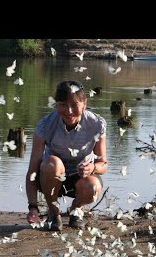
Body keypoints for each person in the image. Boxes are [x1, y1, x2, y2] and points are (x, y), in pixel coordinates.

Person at [25, 80, 108, 231]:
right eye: (63, 105)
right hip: (50, 178)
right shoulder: (44, 125)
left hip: (80, 179)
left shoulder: (96, 124)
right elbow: (32, 171)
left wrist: (93, 167)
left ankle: (76, 209)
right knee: (53, 164)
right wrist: (33, 207)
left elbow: (104, 163)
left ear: (84, 103)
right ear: (56, 105)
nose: (69, 111)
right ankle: (53, 211)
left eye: (74, 105)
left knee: (93, 186)